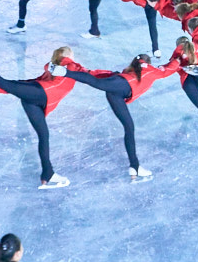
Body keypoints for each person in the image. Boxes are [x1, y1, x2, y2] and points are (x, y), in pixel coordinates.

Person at [0, 60, 73, 188]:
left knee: (44, 135)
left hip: (31, 99)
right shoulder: (67, 66)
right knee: (5, 84)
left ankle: (47, 174)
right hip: (34, 94)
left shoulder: (56, 69)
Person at [49, 49, 152, 179]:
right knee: (96, 83)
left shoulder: (120, 73)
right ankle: (134, 166)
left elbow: (94, 73)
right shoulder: (138, 74)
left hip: (114, 96)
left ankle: (134, 167)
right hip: (113, 90)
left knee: (129, 127)